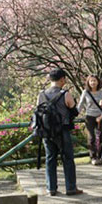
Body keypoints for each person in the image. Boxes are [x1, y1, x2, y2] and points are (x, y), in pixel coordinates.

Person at [36, 68, 83, 196]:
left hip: (47, 132)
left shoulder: (41, 94)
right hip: (62, 131)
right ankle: (71, 188)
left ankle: (51, 188)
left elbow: (38, 111)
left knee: (50, 158)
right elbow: (75, 111)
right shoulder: (65, 94)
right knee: (67, 158)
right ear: (62, 79)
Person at [77, 75, 102, 165]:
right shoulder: (85, 92)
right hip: (89, 116)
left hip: (101, 116)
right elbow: (81, 105)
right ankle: (93, 157)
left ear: (98, 82)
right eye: (91, 81)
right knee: (91, 137)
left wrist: (101, 116)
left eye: (94, 81)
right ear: (88, 82)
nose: (93, 83)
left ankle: (100, 156)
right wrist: (74, 114)